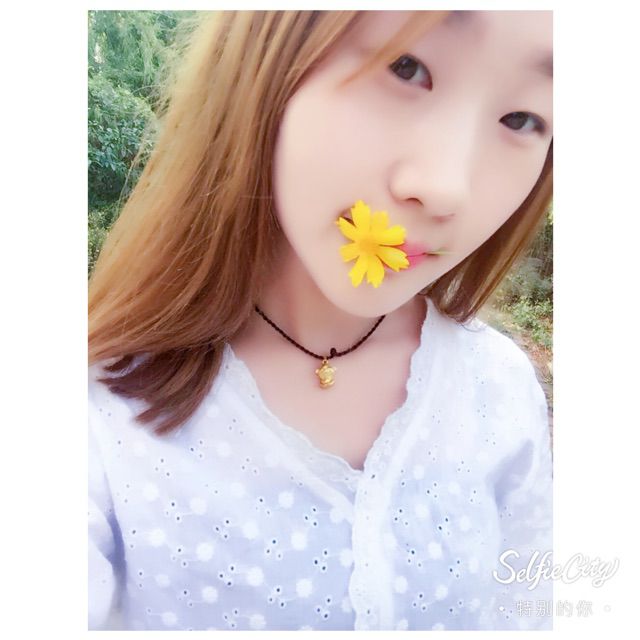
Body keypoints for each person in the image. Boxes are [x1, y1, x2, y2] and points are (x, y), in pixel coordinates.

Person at [88, 10, 553, 631]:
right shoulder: (101, 405)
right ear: (266, 53)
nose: (446, 188)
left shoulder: (499, 389)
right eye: (406, 66)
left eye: (522, 119)